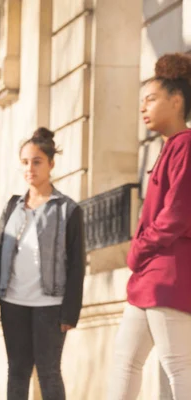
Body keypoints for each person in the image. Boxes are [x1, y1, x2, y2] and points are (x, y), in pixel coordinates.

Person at [108, 53, 191, 400]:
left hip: (167, 273)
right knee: (124, 361)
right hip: (148, 275)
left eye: (151, 99)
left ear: (176, 100)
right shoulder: (170, 147)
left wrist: (140, 248)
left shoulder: (186, 144)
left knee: (179, 366)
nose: (143, 107)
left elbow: (178, 213)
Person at [0, 128, 86, 400]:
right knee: (17, 371)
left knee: (49, 372)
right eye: (25, 162)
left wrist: (70, 310)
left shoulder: (68, 209)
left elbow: (77, 264)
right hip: (13, 302)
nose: (30, 168)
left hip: (51, 306)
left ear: (51, 164)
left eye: (37, 161)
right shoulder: (12, 206)